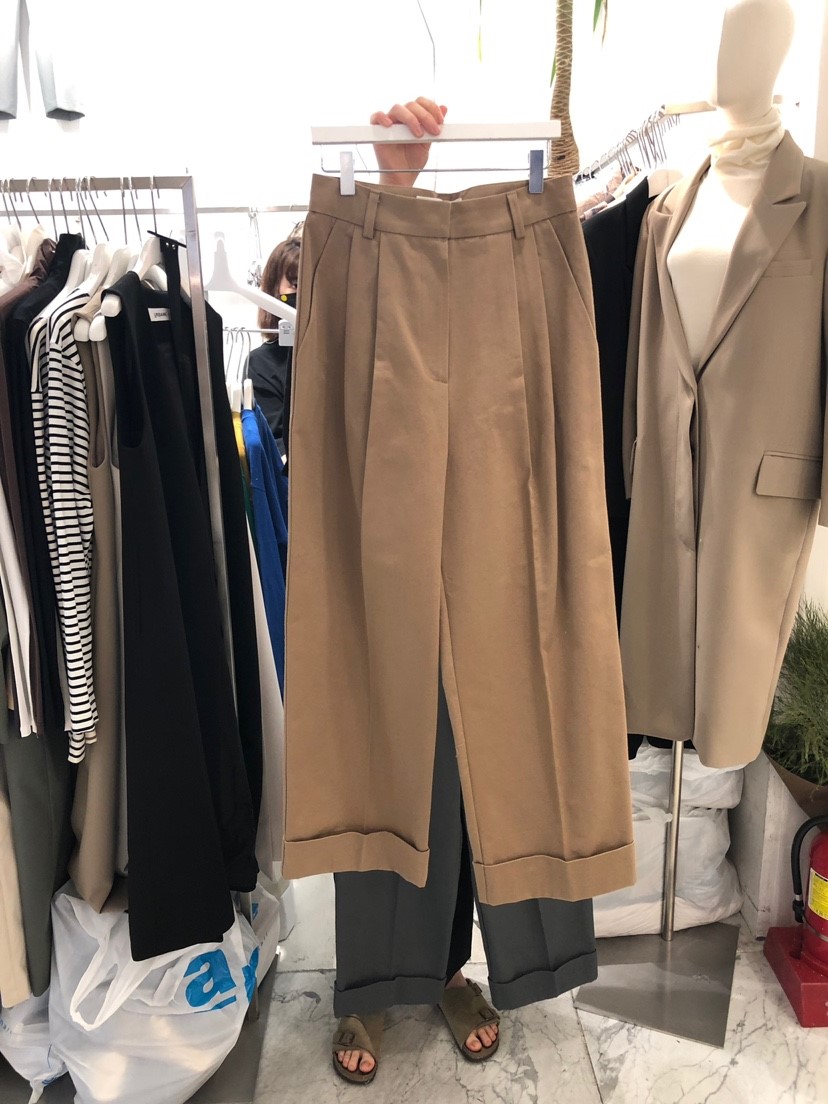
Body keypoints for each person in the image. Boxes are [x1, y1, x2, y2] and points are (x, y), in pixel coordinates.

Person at [332, 96, 506, 1084]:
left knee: (467, 756)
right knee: (377, 752)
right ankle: (364, 982)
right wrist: (391, 190)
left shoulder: (499, 276)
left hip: (473, 507)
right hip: (372, 520)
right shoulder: (348, 261)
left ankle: (445, 966)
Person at [246, 233, 301, 454]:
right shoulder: (261, 363)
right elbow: (275, 441)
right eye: (295, 284)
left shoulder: (340, 356)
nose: (304, 295)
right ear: (273, 291)